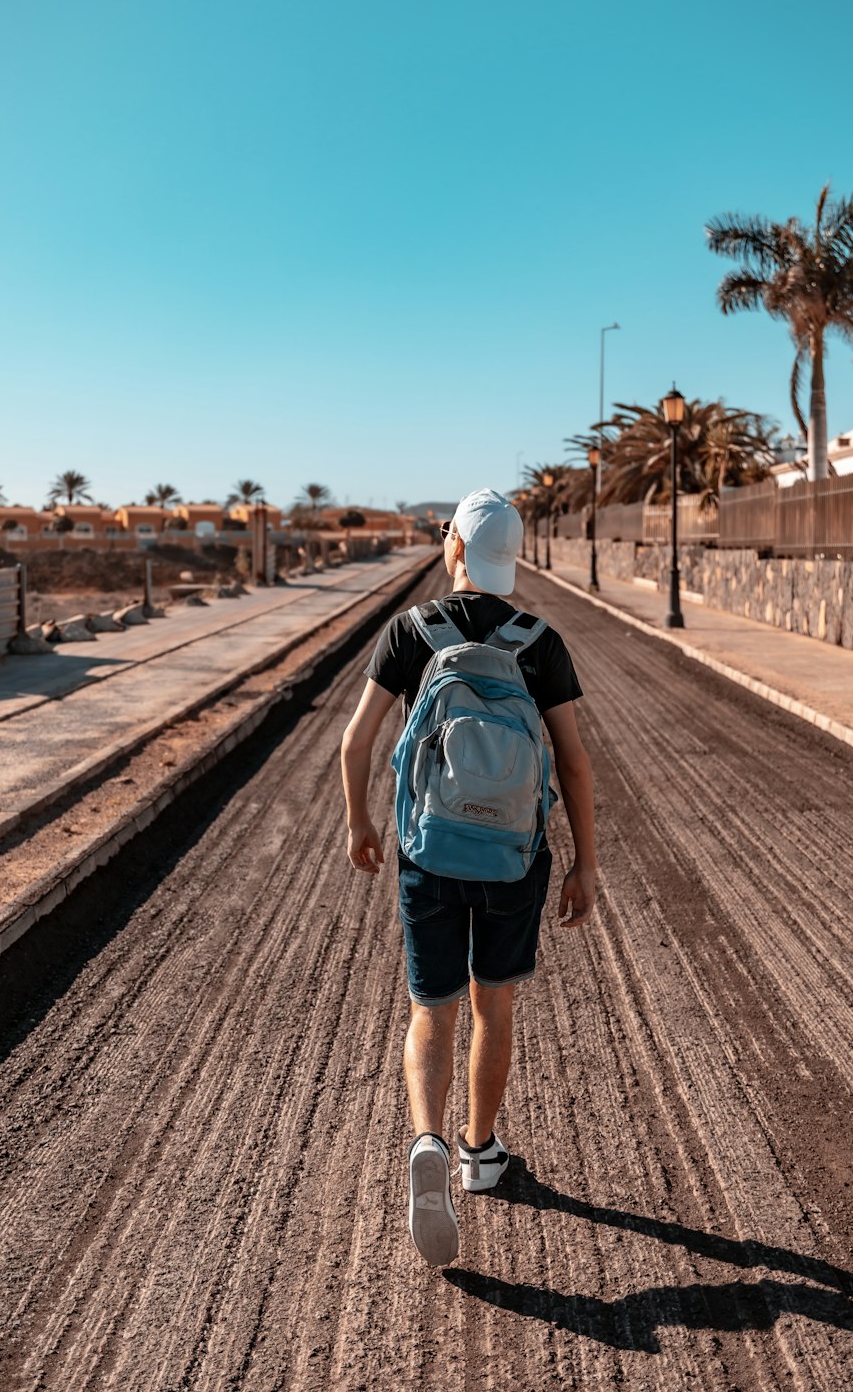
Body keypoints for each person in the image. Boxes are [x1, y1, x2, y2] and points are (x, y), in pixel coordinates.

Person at [340, 487, 596, 1266]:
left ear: (453, 545)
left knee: (432, 1010)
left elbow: (356, 744)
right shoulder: (539, 640)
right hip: (512, 858)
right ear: (509, 556)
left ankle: (426, 1139)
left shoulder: (409, 631)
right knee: (495, 1006)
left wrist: (361, 821)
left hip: (428, 850)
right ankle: (480, 1155)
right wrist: (586, 861)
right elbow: (575, 764)